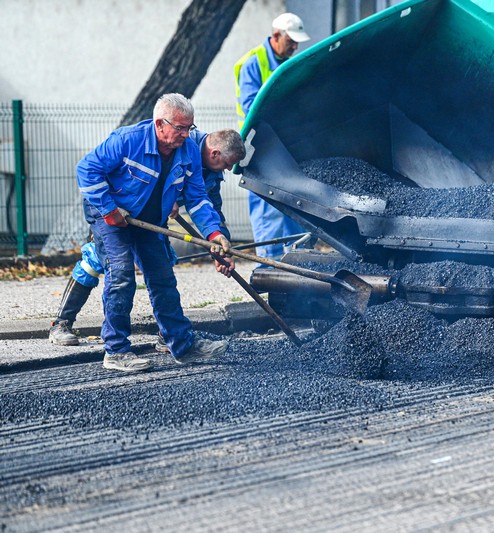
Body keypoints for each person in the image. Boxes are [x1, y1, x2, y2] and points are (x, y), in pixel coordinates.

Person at [76, 93, 236, 372]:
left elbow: (198, 199)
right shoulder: (128, 140)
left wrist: (214, 234)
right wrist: (109, 209)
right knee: (122, 274)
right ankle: (116, 351)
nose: (186, 135)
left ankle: (183, 346)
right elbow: (87, 171)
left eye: (190, 128)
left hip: (148, 221)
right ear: (160, 124)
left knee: (162, 277)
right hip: (110, 216)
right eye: (180, 128)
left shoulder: (188, 153)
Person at [50, 128, 246, 348]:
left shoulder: (211, 170)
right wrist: (164, 195)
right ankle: (62, 323)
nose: (228, 169)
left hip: (153, 216)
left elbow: (210, 207)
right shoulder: (174, 140)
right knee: (98, 262)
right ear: (215, 153)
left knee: (162, 265)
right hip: (116, 211)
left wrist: (219, 247)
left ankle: (169, 335)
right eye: (228, 164)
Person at [234, 12, 309, 260]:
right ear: (276, 36)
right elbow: (250, 106)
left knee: (296, 203)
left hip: (287, 145)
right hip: (260, 147)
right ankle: (268, 267)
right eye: (291, 41)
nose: (295, 47)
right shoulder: (254, 63)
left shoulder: (290, 62)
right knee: (268, 207)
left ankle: (299, 263)